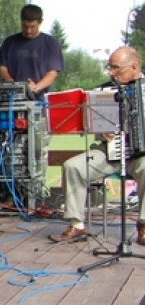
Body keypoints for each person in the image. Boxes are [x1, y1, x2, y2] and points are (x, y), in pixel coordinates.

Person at [49, 46, 145, 244]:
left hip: (140, 155)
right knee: (73, 166)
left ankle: (143, 225)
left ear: (135, 66)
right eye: (110, 67)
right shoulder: (103, 91)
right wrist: (100, 130)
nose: (111, 73)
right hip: (108, 152)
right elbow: (88, 122)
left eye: (116, 68)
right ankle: (76, 225)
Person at [0, 4, 64, 96]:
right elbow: (2, 67)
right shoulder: (9, 42)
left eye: (32, 27)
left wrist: (36, 87)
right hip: (12, 96)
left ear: (40, 22)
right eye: (25, 26)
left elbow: (52, 73)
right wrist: (12, 84)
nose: (28, 30)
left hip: (40, 97)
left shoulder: (51, 43)